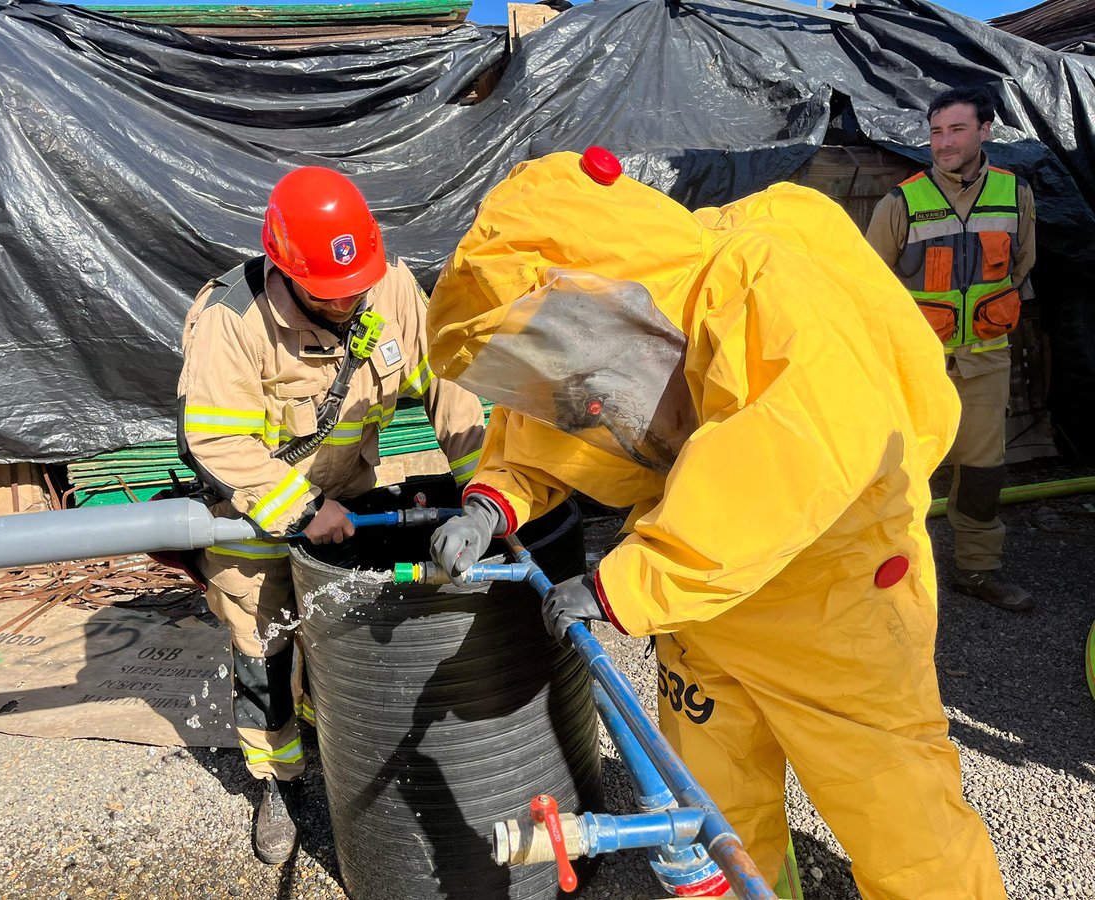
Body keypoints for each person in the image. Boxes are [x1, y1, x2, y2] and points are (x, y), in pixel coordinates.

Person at [426, 148, 1007, 898]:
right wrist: (491, 501)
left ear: (591, 278)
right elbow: (563, 415)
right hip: (701, 610)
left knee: (897, 811)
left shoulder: (763, 286)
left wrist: (622, 585)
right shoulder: (619, 317)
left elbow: (784, 459)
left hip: (832, 591)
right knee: (715, 805)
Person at [176, 167, 485, 865]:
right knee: (264, 645)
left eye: (358, 288)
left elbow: (450, 387)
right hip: (253, 515)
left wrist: (486, 496)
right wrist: (305, 509)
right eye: (331, 293)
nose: (350, 302)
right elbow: (215, 440)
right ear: (286, 272)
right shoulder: (232, 320)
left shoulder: (389, 285)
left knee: (343, 634)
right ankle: (279, 780)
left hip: (349, 498)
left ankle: (335, 739)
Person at [866, 86, 1037, 612]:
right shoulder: (902, 202)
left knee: (983, 470)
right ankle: (887, 581)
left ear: (985, 131)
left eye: (957, 129)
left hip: (986, 359)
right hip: (916, 364)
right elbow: (869, 282)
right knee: (899, 470)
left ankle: (977, 571)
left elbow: (1021, 266)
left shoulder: (1015, 194)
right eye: (937, 131)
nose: (944, 142)